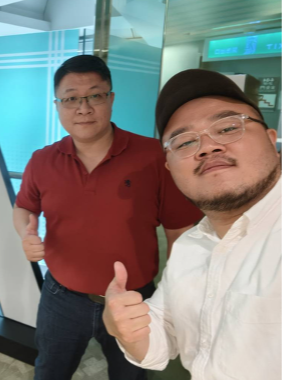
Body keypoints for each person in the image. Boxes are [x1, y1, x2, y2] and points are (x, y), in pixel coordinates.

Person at [13, 55, 203, 380]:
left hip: (134, 298)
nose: (83, 108)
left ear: (111, 99)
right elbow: (23, 208)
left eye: (95, 96)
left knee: (131, 375)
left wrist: (175, 293)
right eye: (71, 98)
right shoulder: (42, 160)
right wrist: (26, 234)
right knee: (49, 371)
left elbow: (179, 231)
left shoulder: (153, 156)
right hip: (60, 297)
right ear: (58, 105)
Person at [103, 69, 282, 380]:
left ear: (271, 140)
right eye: (185, 142)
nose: (207, 147)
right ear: (169, 167)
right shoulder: (190, 245)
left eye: (228, 128)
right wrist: (128, 330)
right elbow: (166, 329)